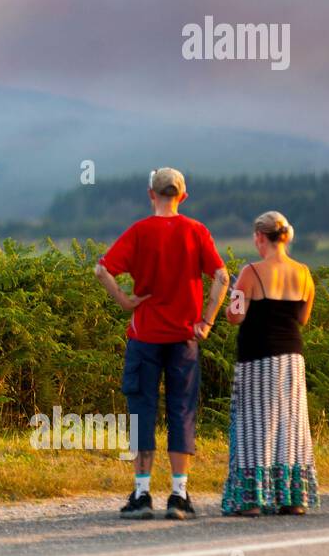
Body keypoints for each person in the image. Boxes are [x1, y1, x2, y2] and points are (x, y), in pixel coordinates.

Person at [95, 167, 229, 520]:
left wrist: (125, 301)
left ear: (151, 194)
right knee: (182, 411)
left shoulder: (139, 232)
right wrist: (207, 321)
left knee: (142, 412)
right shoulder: (196, 231)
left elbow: (101, 270)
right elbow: (221, 275)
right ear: (183, 196)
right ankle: (179, 494)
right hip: (185, 337)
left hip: (144, 337)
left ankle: (141, 494)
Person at [221, 211, 318, 516]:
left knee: (253, 426)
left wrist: (230, 300)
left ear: (259, 237)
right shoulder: (303, 273)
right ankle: (293, 498)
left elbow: (235, 315)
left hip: (257, 358)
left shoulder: (250, 272)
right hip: (292, 359)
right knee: (291, 426)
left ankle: (251, 499)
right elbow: (303, 318)